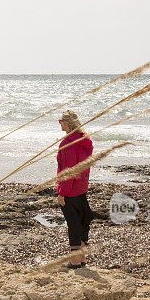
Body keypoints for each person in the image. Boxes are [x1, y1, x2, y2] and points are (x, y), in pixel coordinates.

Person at [56, 110, 94, 268]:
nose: (60, 124)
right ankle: (82, 256)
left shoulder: (68, 144)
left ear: (68, 123)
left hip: (70, 189)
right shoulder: (84, 141)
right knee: (83, 219)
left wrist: (62, 193)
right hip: (82, 187)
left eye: (61, 121)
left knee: (74, 224)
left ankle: (75, 260)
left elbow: (69, 171)